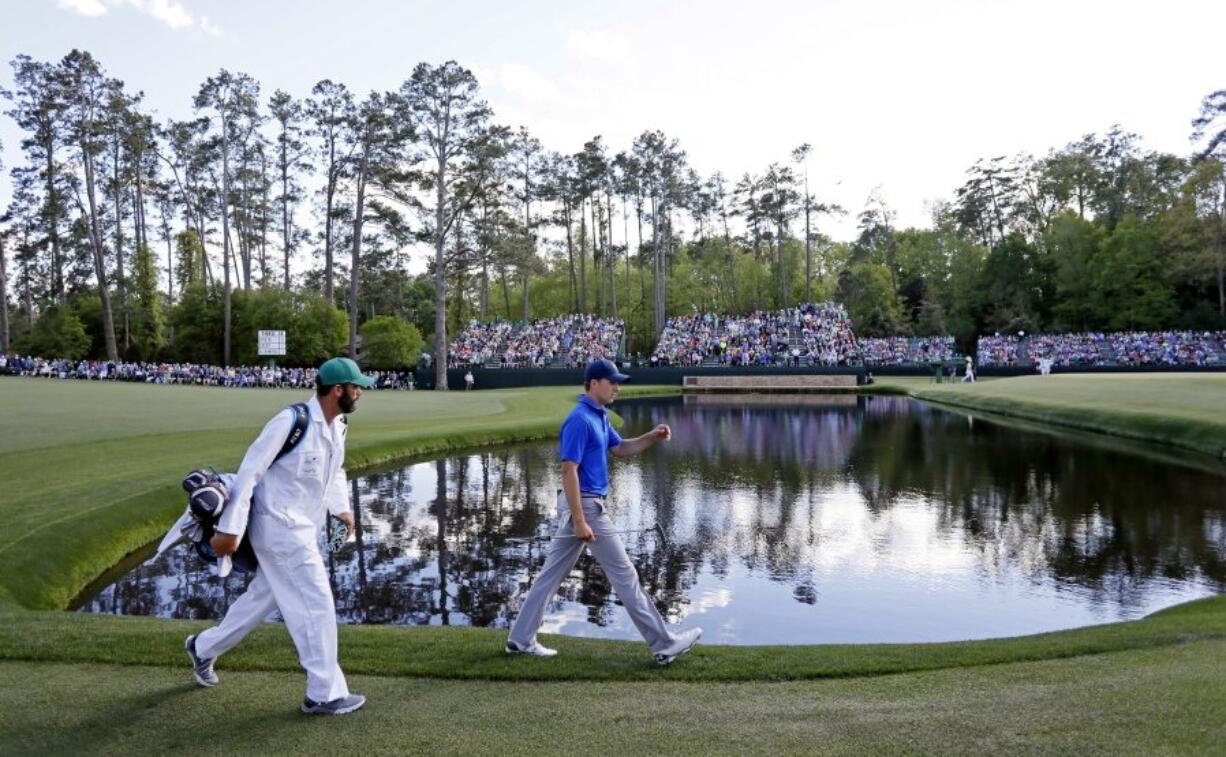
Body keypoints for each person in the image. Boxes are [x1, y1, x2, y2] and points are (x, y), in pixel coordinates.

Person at [184, 356, 373, 715]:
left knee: (261, 601)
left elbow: (335, 471)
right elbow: (249, 474)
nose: (360, 393)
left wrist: (343, 509)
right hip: (279, 530)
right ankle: (323, 694)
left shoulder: (339, 425)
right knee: (317, 603)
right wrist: (229, 531)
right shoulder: (290, 422)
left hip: (305, 528)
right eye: (356, 387)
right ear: (337, 390)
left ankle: (202, 648)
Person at [505, 358, 703, 666]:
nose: (617, 387)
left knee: (549, 577)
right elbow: (568, 470)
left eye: (617, 382)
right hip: (585, 506)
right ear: (594, 383)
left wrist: (651, 437)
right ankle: (664, 644)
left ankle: (520, 640)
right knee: (625, 576)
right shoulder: (579, 419)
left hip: (585, 506)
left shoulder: (599, 416)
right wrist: (581, 520)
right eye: (612, 382)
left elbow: (621, 449)